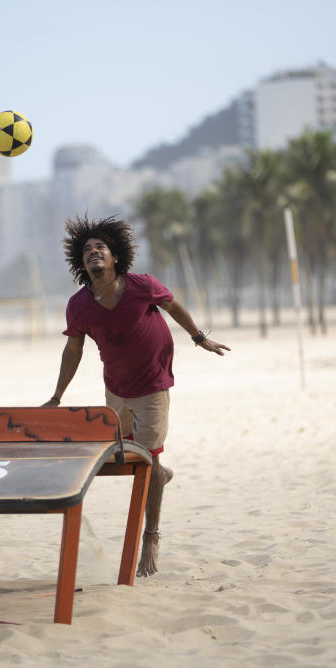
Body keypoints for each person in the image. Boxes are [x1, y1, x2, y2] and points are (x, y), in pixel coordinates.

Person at [42, 215, 229, 577]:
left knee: (148, 462)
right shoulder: (79, 305)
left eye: (101, 248)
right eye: (87, 250)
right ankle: (160, 474)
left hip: (153, 386)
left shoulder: (142, 285)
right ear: (81, 264)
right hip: (116, 389)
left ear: (114, 257)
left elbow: (173, 306)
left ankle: (151, 538)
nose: (94, 252)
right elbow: (73, 350)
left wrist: (198, 337)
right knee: (126, 461)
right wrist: (57, 395)